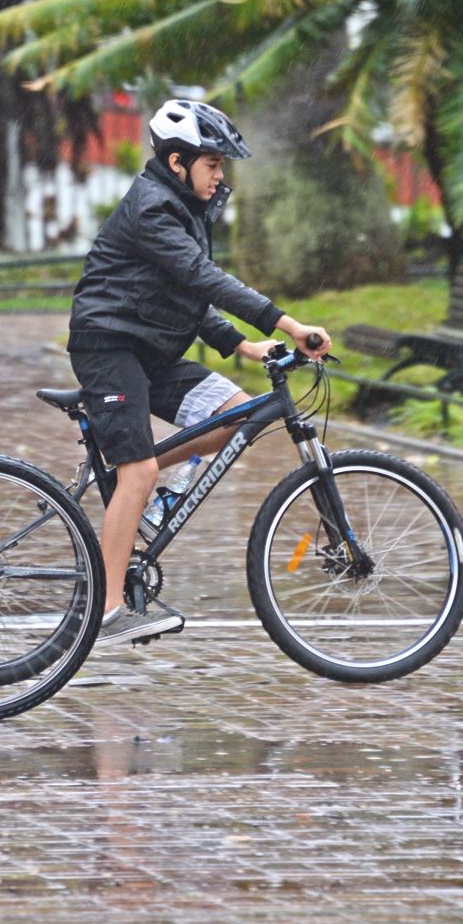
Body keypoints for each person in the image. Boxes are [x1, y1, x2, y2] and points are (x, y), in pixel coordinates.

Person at [67, 98, 331, 646]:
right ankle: (109, 609)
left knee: (237, 415)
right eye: (213, 165)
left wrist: (242, 345)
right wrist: (287, 323)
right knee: (138, 472)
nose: (220, 175)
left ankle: (129, 479)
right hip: (110, 346)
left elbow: (186, 292)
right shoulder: (154, 208)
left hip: (150, 349)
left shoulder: (179, 205)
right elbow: (203, 277)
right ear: (177, 162)